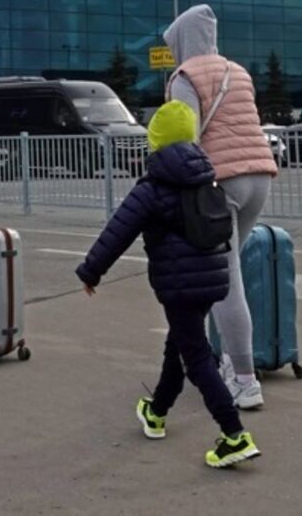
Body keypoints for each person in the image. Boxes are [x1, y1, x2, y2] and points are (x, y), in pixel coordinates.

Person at [76, 101, 261, 470]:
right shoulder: (207, 178)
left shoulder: (153, 187)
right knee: (178, 345)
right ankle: (157, 412)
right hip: (211, 280)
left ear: (155, 141)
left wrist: (90, 271)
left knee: (194, 356)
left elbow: (119, 231)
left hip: (178, 285)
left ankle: (234, 434)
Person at [163, 3, 279, 410]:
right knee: (224, 274)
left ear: (181, 41)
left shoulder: (185, 77)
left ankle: (244, 379)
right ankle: (226, 360)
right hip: (260, 177)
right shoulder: (238, 72)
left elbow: (187, 139)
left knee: (224, 281)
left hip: (221, 184)